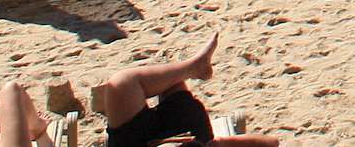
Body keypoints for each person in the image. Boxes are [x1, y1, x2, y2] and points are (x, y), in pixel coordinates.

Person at [88, 34, 278, 147]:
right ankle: (193, 68)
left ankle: (192, 68)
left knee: (122, 84)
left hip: (136, 142)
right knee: (172, 88)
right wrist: (219, 144)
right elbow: (271, 143)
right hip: (187, 136)